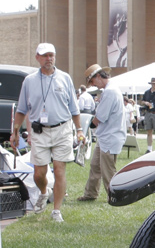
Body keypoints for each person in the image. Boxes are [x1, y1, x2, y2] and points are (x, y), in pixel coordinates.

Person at [8, 43, 83, 222]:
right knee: (39, 174)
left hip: (62, 129)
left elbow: (74, 108)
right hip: (39, 131)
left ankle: (56, 211)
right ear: (37, 58)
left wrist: (79, 129)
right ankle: (44, 191)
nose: (48, 59)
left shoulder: (65, 78)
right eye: (44, 55)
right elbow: (21, 110)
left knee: (59, 170)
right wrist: (15, 132)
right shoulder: (29, 81)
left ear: (55, 57)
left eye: (51, 55)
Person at [78, 64, 126, 202]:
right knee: (95, 167)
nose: (94, 85)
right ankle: (90, 194)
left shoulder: (110, 91)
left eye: (93, 82)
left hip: (111, 136)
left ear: (99, 76)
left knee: (108, 170)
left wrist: (87, 126)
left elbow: (101, 117)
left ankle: (115, 197)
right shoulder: (110, 90)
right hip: (106, 136)